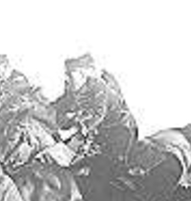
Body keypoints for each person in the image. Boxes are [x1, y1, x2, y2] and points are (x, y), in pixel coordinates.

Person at [56, 52, 138, 180]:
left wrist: (70, 131)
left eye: (70, 74)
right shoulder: (73, 88)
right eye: (66, 74)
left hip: (119, 132)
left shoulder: (99, 87)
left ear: (82, 74)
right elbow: (61, 104)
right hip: (97, 132)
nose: (66, 78)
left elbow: (97, 115)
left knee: (102, 172)